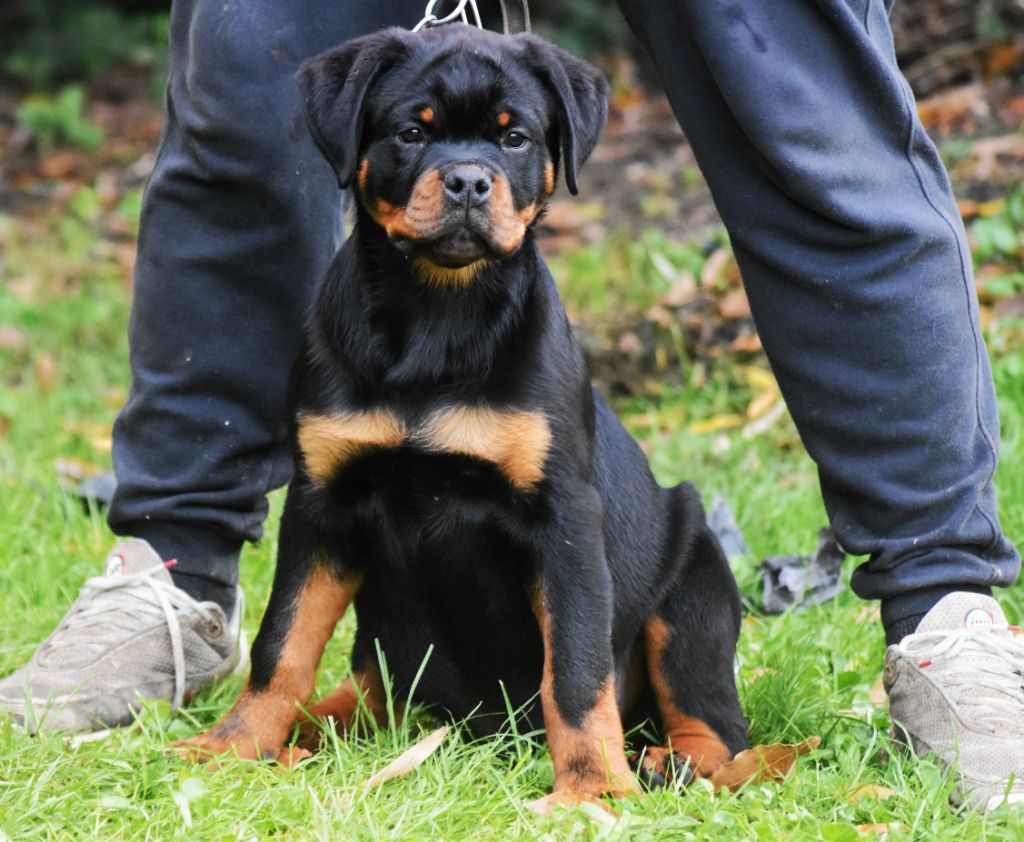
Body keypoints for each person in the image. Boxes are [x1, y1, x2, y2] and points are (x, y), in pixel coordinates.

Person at [1, 0, 1022, 813]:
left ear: (551, 164)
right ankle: (178, 576)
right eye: (416, 138)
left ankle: (942, 606)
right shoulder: (336, 350)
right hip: (423, 553)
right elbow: (326, 526)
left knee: (811, 107)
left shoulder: (533, 374)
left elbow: (571, 530)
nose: (466, 178)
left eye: (503, 149)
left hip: (608, 642)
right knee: (240, 61)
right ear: (353, 146)